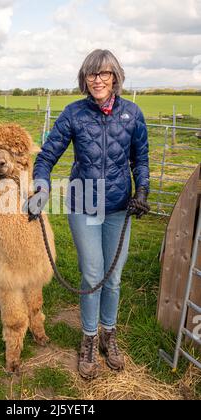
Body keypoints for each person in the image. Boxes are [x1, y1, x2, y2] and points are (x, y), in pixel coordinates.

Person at [28, 49, 150, 379]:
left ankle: (109, 334)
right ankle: (89, 339)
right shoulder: (73, 114)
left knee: (113, 278)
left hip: (119, 208)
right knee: (93, 275)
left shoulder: (133, 114)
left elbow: (141, 161)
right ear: (84, 79)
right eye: (91, 75)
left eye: (104, 74)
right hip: (84, 205)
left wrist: (142, 191)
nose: (97, 80)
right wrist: (41, 188)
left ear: (115, 77)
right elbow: (46, 157)